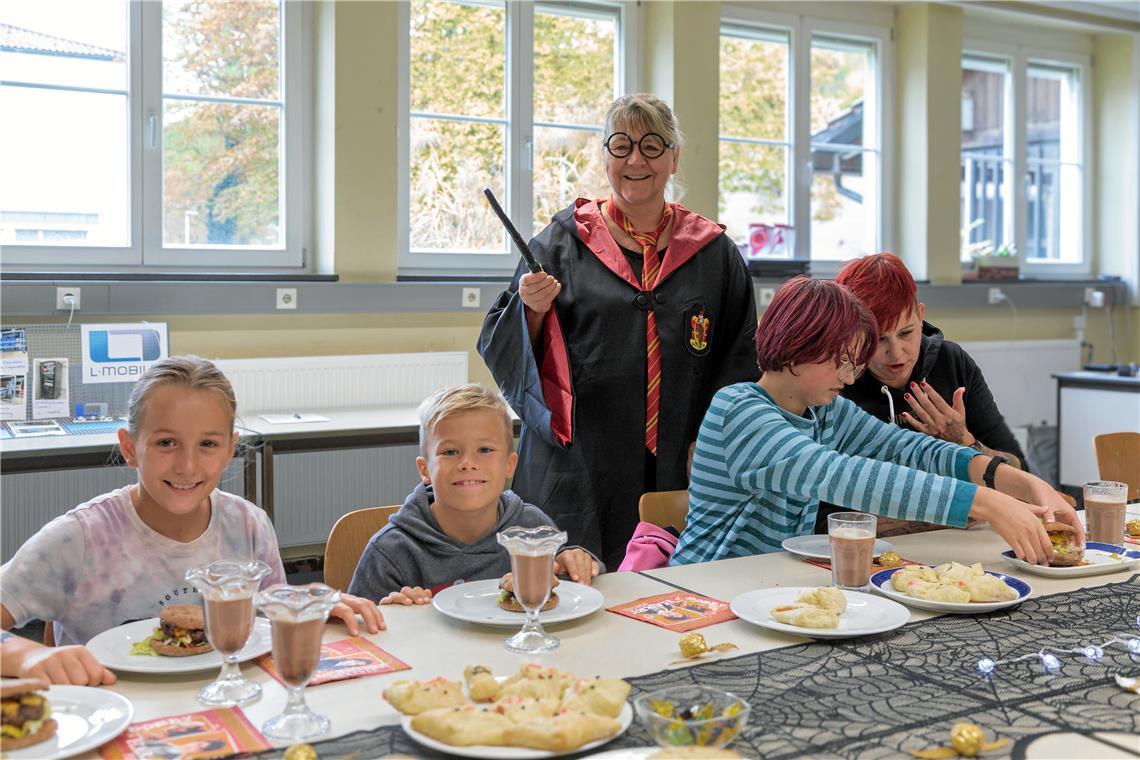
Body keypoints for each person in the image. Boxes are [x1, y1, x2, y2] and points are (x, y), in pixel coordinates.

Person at [479, 93, 759, 568]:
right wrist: (530, 311)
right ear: (605, 157)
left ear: (674, 158)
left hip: (681, 454)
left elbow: (739, 356)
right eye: (621, 144)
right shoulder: (562, 245)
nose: (636, 159)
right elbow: (506, 345)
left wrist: (713, 441)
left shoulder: (714, 254)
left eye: (652, 146)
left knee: (676, 595)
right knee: (580, 589)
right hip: (584, 459)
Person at [0, 356, 384, 686]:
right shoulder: (79, 538)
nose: (187, 466)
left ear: (231, 449)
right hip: (116, 721)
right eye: (166, 443)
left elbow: (267, 621)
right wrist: (26, 656)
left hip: (226, 715)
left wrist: (309, 607)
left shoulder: (248, 524)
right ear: (130, 448)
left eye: (208, 444)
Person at [670, 278, 1083, 566]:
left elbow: (908, 449)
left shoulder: (826, 410)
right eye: (841, 361)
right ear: (797, 349)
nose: (850, 377)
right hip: (701, 588)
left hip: (762, 584)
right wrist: (988, 503)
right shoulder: (738, 411)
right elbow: (843, 475)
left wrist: (1016, 481)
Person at [815, 252, 1027, 536]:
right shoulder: (832, 383)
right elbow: (822, 516)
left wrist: (965, 443)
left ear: (921, 315)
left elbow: (1016, 471)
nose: (897, 353)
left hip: (955, 546)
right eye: (878, 340)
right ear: (851, 334)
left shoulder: (951, 362)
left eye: (906, 333)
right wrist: (951, 513)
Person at [347, 384, 601, 605]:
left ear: (509, 465)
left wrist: (575, 561)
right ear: (425, 470)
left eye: (485, 449)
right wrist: (395, 617)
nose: (468, 463)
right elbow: (359, 635)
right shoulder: (391, 552)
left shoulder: (531, 525)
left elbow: (567, 582)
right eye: (450, 452)